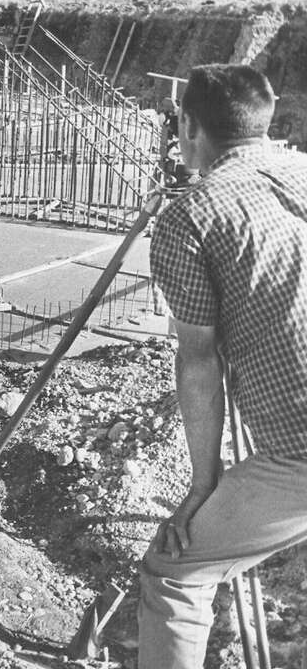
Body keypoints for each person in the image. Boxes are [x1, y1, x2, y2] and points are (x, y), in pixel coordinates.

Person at [140, 64, 307, 669]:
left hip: (300, 452)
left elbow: (199, 363)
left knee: (175, 574)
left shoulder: (190, 218)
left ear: (187, 126)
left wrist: (203, 487)